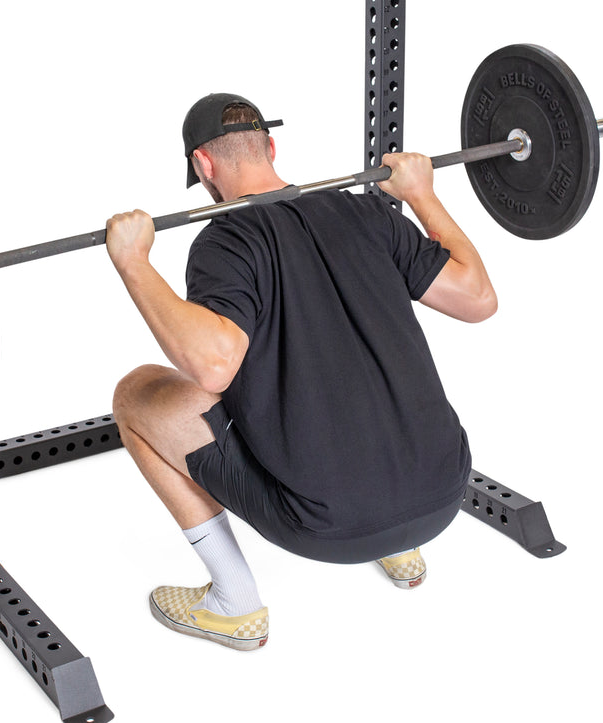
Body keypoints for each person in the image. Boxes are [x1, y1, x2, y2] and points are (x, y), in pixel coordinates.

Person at [104, 93, 496, 651]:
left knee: (136, 394)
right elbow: (478, 298)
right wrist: (421, 195)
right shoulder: (365, 213)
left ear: (203, 165)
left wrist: (134, 264)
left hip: (329, 529)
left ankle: (232, 602)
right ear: (269, 146)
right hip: (444, 491)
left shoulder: (225, 241)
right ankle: (400, 548)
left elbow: (213, 367)